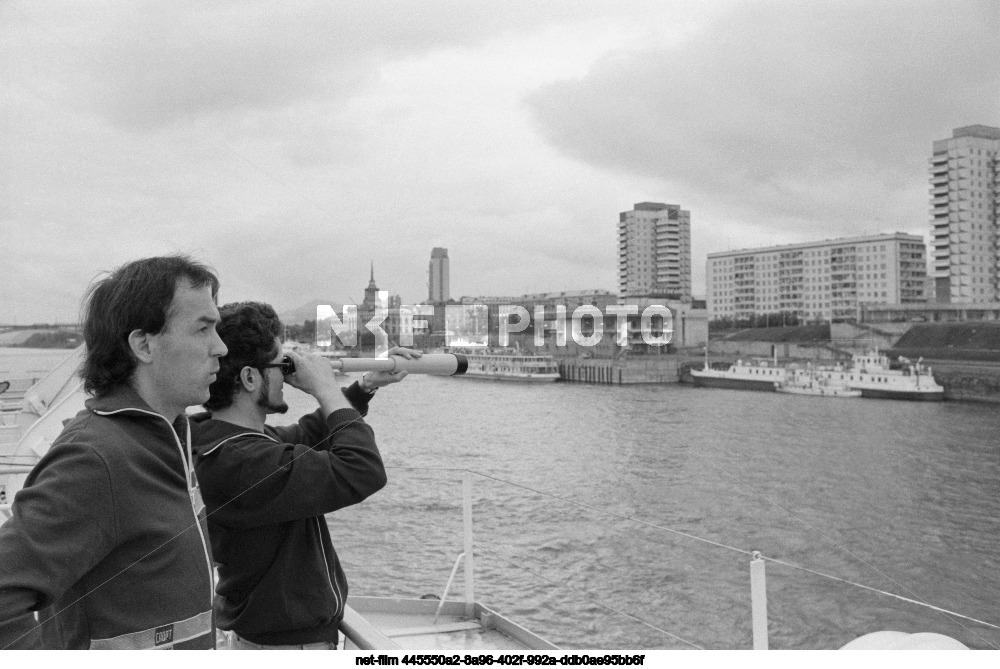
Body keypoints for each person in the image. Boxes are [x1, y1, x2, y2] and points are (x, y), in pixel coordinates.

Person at [0, 255, 227, 649]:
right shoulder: (97, 457)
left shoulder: (170, 437)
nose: (220, 347)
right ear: (143, 344)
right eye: (202, 329)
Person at [191, 301, 417, 650]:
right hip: (286, 647)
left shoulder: (226, 441)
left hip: (271, 640)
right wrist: (325, 389)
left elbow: (309, 434)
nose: (286, 373)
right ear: (250, 378)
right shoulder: (241, 461)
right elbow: (361, 470)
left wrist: (364, 385)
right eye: (280, 364)